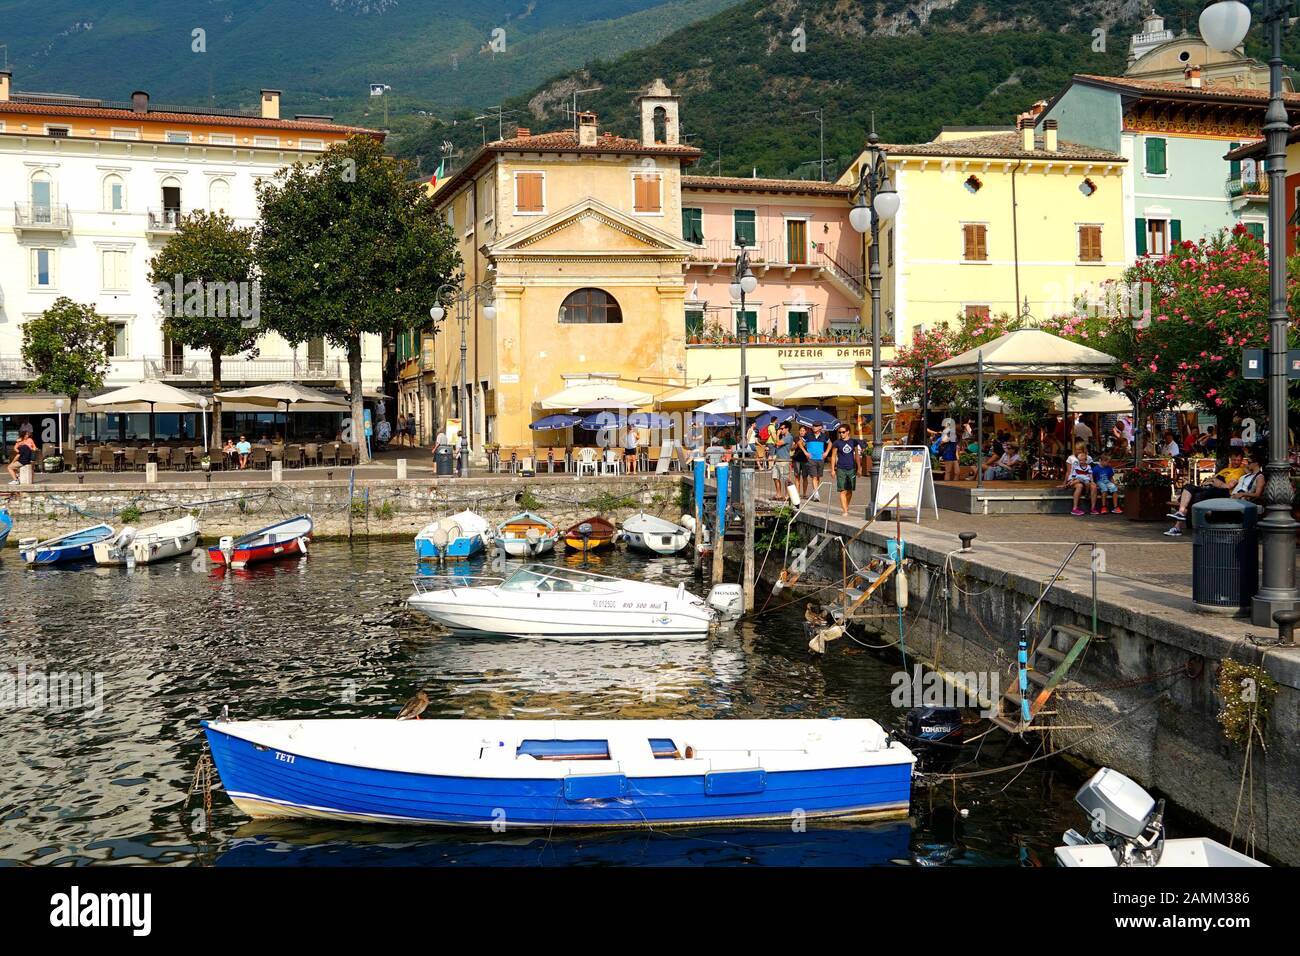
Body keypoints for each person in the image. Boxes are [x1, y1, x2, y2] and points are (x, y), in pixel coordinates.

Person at [1164, 449, 1248, 537]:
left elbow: (1228, 486)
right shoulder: (1225, 469)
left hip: (1220, 493)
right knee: (1188, 487)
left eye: (1238, 460)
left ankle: (1177, 527)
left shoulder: (1240, 471)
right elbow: (1210, 481)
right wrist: (1210, 481)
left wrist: (1215, 482)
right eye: (1234, 459)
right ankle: (1180, 513)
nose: (1236, 462)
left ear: (1241, 460)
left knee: (1191, 498)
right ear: (1230, 459)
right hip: (1209, 489)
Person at [829, 424, 861, 517]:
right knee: (842, 490)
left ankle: (846, 506)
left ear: (848, 432)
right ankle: (845, 510)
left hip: (851, 468)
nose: (841, 434)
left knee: (850, 490)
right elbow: (833, 456)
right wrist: (832, 470)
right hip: (841, 468)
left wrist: (859, 468)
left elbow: (857, 455)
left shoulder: (853, 442)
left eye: (843, 432)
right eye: (839, 432)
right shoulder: (837, 443)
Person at [1060, 441, 1098, 515]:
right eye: (1076, 449)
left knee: (1094, 486)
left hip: (1086, 478)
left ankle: (1093, 508)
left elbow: (1090, 470)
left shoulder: (1088, 458)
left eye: (1079, 449)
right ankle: (1075, 508)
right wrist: (1064, 483)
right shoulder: (1071, 458)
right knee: (1079, 486)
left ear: (1083, 449)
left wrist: (1093, 481)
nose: (1077, 451)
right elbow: (1068, 472)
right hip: (1074, 478)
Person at [803, 422, 829, 502]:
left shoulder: (824, 436)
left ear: (820, 427)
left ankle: (815, 491)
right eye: (813, 426)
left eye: (816, 426)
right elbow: (800, 443)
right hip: (811, 459)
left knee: (818, 477)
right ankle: (816, 494)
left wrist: (826, 452)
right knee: (814, 476)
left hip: (820, 459)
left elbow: (830, 443)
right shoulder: (808, 435)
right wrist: (805, 452)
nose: (814, 427)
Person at [771, 422, 793, 500]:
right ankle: (778, 494)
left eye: (782, 428)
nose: (780, 430)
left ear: (787, 429)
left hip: (784, 460)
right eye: (780, 428)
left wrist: (777, 435)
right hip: (778, 460)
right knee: (775, 477)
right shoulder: (783, 437)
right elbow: (777, 444)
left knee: (785, 479)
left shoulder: (789, 437)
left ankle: (787, 495)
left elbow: (778, 443)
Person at [791, 424, 810, 499]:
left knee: (805, 477)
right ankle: (797, 493)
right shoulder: (796, 438)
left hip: (805, 460)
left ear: (805, 432)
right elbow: (792, 449)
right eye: (800, 430)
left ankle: (804, 493)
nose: (802, 432)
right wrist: (796, 445)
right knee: (797, 476)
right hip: (797, 459)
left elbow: (810, 448)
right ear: (799, 431)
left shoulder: (808, 438)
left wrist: (805, 444)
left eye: (803, 431)